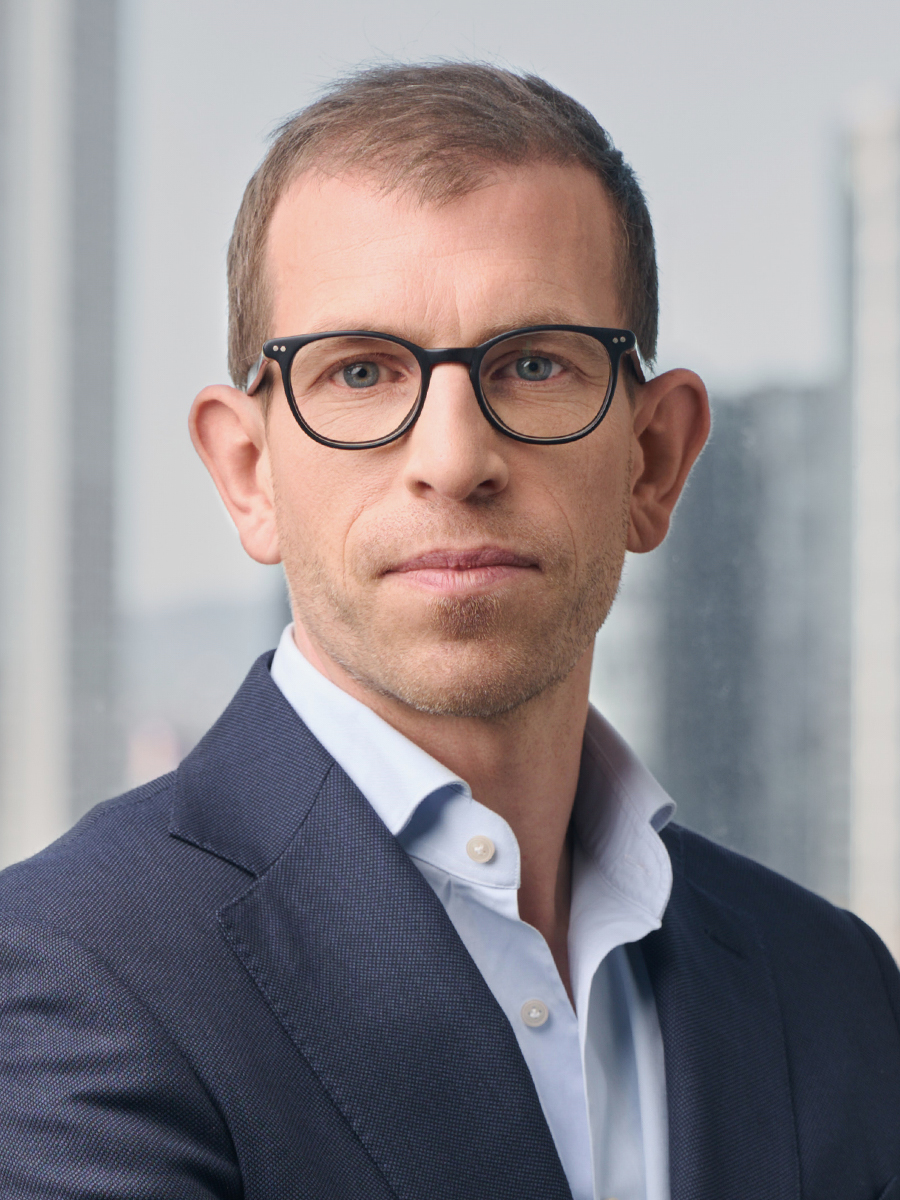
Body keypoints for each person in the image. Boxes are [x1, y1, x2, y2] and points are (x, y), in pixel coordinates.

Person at [0, 63, 898, 1200]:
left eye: (534, 365)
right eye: (361, 373)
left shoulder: (831, 988)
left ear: (654, 462)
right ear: (248, 474)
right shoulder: (71, 974)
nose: (454, 458)